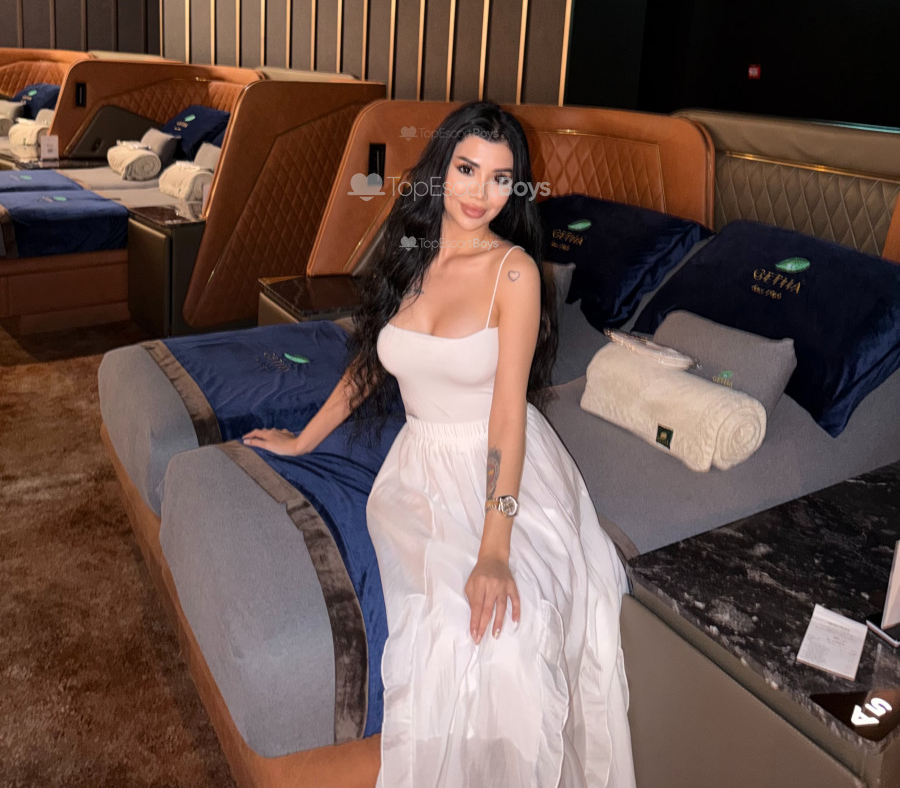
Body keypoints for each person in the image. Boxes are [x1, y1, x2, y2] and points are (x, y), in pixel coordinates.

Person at [243, 100, 635, 787]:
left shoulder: (515, 273)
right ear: (440, 170)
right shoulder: (411, 252)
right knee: (445, 627)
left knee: (503, 635)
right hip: (420, 468)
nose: (481, 193)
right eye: (467, 169)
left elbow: (507, 418)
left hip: (501, 469)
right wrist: (304, 441)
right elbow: (372, 362)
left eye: (501, 178)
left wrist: (494, 550)